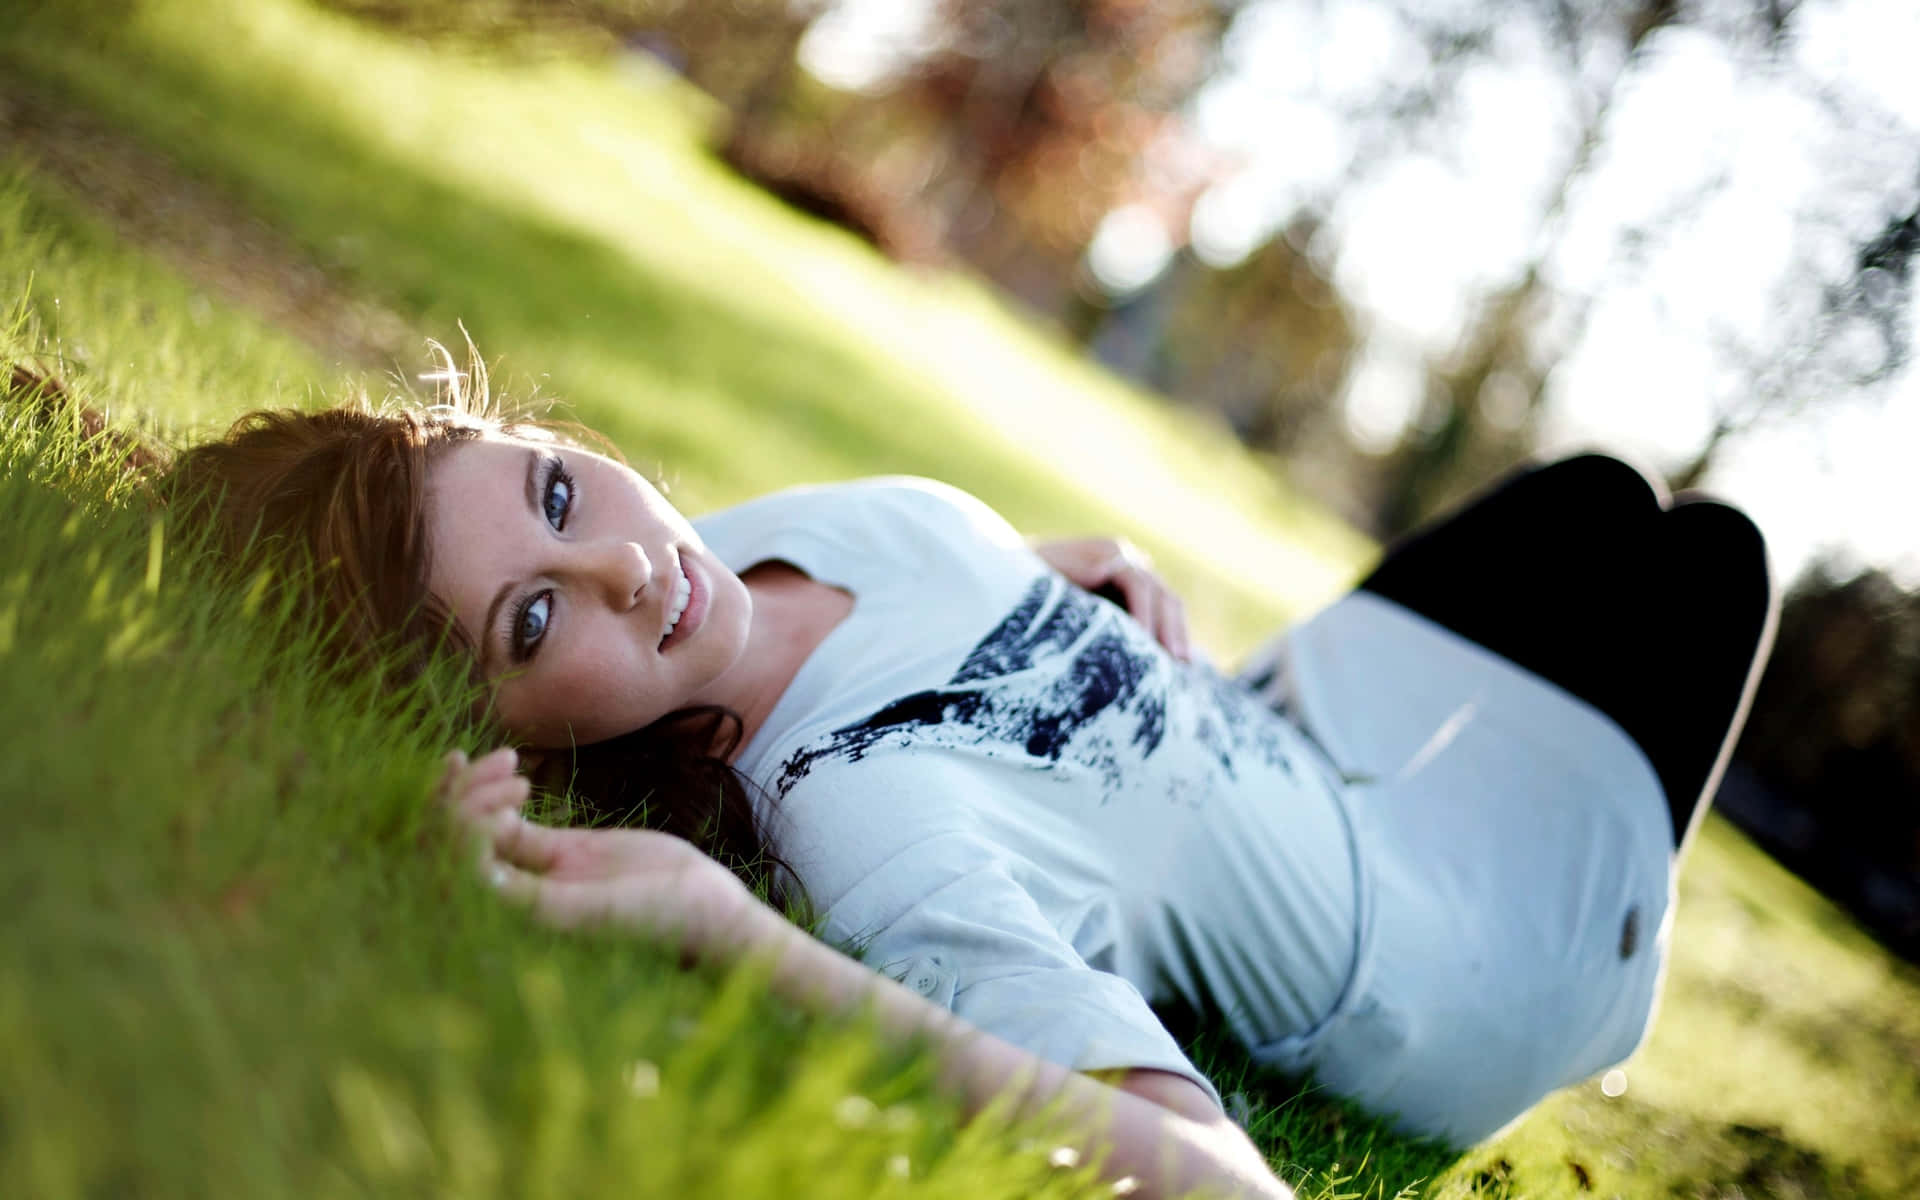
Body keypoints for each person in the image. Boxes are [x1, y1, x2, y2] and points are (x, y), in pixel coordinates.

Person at [45, 352, 1775, 1200]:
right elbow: (1227, 1187)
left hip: (1277, 735)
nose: (633, 571)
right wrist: (744, 941)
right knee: (1709, 567)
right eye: (528, 623)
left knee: (1608, 506)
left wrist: (1048, 566)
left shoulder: (722, 562)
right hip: (1432, 957)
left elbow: (901, 583)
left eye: (561, 493)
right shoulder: (872, 828)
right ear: (500, 722)